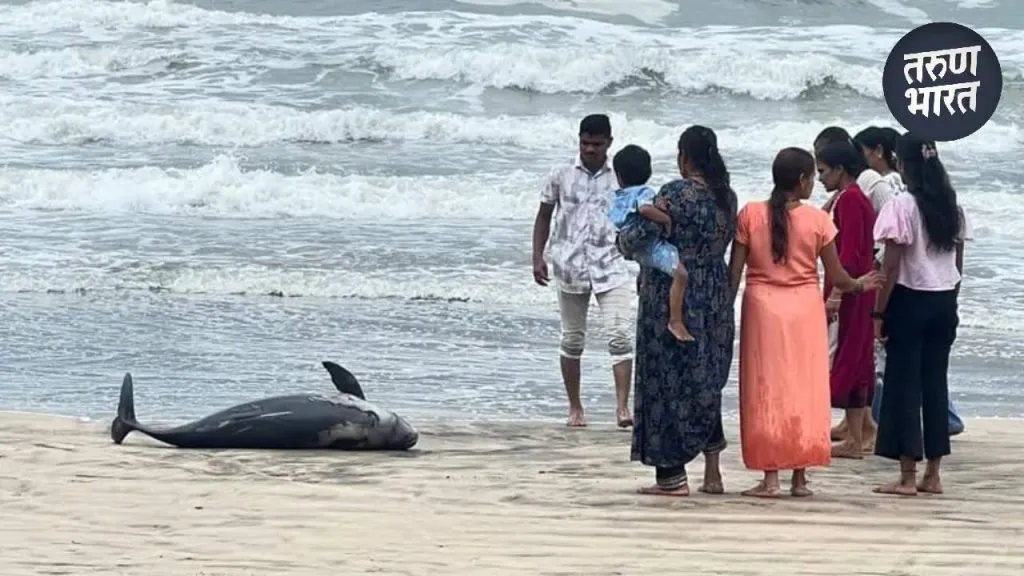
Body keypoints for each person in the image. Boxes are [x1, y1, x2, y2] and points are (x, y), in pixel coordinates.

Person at [730, 147, 882, 497]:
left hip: (761, 310)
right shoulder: (818, 220)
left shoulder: (751, 214)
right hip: (805, 310)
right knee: (804, 389)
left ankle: (770, 478)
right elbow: (840, 277)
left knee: (765, 390)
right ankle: (799, 478)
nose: (814, 182)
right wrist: (862, 284)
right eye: (812, 176)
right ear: (801, 180)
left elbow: (734, 274)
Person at [627, 125, 737, 496]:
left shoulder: (674, 194)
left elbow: (636, 237)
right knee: (705, 380)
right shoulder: (727, 197)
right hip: (715, 293)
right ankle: (713, 473)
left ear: (684, 157)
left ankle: (671, 478)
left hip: (671, 293)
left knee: (666, 382)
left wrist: (621, 238)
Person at [872, 135, 972, 496]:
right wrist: (953, 301)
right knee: (934, 384)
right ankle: (934, 474)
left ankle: (907, 476)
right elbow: (958, 263)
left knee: (903, 385)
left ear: (902, 164)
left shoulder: (903, 205)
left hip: (910, 300)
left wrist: (878, 312)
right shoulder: (951, 206)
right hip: (944, 301)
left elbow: (893, 264)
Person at [531, 113, 635, 428]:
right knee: (573, 339)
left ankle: (622, 408)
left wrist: (643, 262)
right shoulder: (560, 174)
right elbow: (544, 217)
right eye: (585, 143)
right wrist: (538, 256)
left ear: (609, 143)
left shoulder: (621, 175)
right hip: (570, 264)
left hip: (611, 264)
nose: (589, 149)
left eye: (597, 144)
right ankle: (575, 407)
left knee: (619, 336)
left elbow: (635, 218)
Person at [816, 141, 877, 459]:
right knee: (857, 359)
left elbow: (850, 254)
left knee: (842, 358)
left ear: (840, 169)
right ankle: (856, 435)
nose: (819, 179)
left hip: (851, 291)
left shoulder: (851, 201)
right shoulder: (853, 198)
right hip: (861, 291)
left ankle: (851, 436)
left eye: (823, 171)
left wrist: (838, 294)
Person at [607, 144, 694, 342]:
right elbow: (646, 210)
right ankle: (675, 320)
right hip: (650, 246)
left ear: (619, 176)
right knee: (681, 273)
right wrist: (666, 219)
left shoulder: (619, 195)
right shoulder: (644, 192)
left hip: (631, 243)